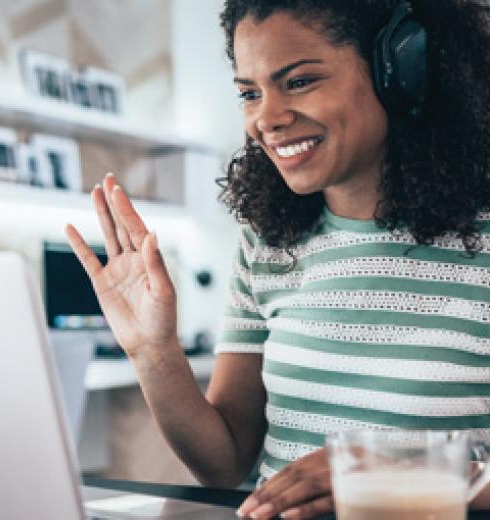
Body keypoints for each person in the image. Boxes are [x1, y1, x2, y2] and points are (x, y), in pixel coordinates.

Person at [66, 0, 490, 518]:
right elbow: (223, 464)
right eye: (249, 93)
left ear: (402, 69)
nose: (265, 118)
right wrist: (155, 354)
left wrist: (400, 472)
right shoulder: (267, 243)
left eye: (300, 81)